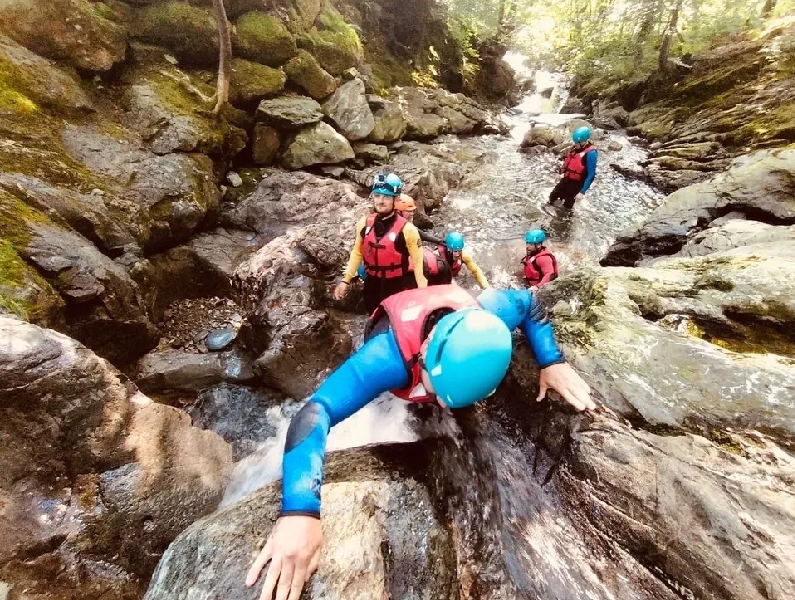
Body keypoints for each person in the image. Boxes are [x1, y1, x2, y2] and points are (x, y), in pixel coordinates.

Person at [245, 284, 594, 600]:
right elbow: (314, 412)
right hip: (396, 328)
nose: (441, 405)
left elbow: (531, 301)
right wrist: (299, 509)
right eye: (434, 392)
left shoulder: (494, 313)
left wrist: (551, 360)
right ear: (424, 353)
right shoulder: (386, 358)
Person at [334, 173, 427, 314]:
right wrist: (345, 280)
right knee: (373, 318)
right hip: (372, 285)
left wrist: (422, 294)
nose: (380, 201)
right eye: (377, 195)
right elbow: (357, 253)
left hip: (398, 286)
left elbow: (419, 263)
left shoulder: (408, 230)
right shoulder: (364, 224)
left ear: (395, 200)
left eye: (386, 197)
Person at [547, 126, 597, 210]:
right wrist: (561, 174)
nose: (575, 144)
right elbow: (568, 163)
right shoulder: (574, 148)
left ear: (584, 141)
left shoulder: (591, 154)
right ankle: (549, 214)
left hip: (577, 183)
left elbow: (591, 174)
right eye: (575, 142)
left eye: (577, 142)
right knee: (553, 196)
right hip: (567, 179)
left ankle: (565, 220)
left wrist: (582, 192)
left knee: (567, 205)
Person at [423, 231, 489, 289]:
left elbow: (476, 271)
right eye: (455, 251)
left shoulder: (464, 256)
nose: (457, 254)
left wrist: (486, 287)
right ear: (448, 249)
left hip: (453, 275)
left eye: (459, 251)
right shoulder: (437, 255)